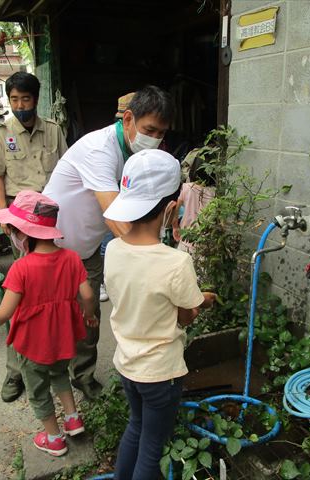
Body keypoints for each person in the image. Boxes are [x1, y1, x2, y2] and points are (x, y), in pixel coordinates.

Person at [43, 85, 175, 400]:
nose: (155, 139)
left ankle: (83, 377)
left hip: (86, 248)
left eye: (161, 133)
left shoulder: (139, 156)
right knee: (42, 317)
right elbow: (114, 214)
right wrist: (152, 260)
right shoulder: (99, 149)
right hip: (52, 247)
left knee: (89, 318)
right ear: (127, 119)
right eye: (149, 130)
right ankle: (23, 372)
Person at [102, 149, 216, 478]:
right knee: (152, 447)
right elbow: (185, 316)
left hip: (127, 365)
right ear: (169, 209)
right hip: (160, 373)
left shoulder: (113, 249)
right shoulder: (175, 261)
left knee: (136, 428)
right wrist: (203, 300)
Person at [0, 191, 95, 457]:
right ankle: (73, 419)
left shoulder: (21, 268)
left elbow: (6, 311)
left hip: (32, 344)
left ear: (23, 233)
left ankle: (53, 438)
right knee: (60, 374)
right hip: (63, 338)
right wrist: (89, 314)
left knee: (38, 389)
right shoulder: (71, 258)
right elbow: (87, 294)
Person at [0, 72, 68, 403]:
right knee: (21, 297)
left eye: (26, 99)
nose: (19, 106)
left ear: (36, 98)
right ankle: (14, 370)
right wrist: (4, 216)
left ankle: (57, 365)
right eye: (14, 100)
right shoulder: (1, 134)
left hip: (49, 216)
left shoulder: (54, 131)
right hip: (20, 219)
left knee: (54, 294)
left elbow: (64, 173)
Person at [98, 92, 136, 303]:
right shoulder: (105, 146)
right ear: (126, 120)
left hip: (127, 204)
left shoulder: (133, 147)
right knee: (108, 243)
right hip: (110, 206)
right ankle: (107, 281)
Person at [172, 154, 216, 254]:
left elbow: (175, 212)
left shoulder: (187, 187)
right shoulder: (215, 193)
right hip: (204, 244)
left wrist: (175, 227)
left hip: (185, 238)